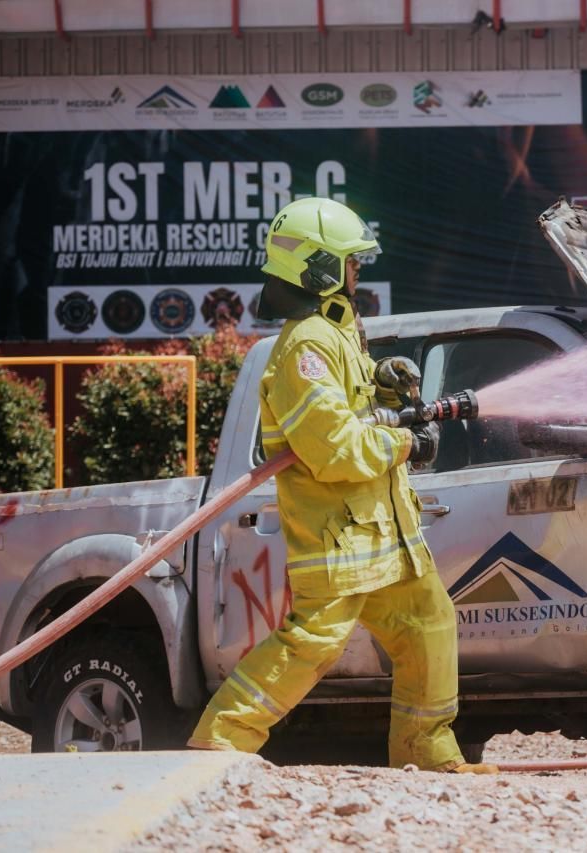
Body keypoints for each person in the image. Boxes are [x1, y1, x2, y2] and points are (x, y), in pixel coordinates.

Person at [187, 197, 495, 774]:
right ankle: (218, 745)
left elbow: (352, 410)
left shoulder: (337, 330)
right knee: (312, 644)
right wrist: (407, 444)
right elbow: (332, 448)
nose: (358, 272)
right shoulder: (306, 344)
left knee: (429, 626)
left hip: (382, 535)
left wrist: (383, 383)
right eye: (351, 262)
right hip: (338, 540)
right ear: (319, 266)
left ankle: (427, 753)